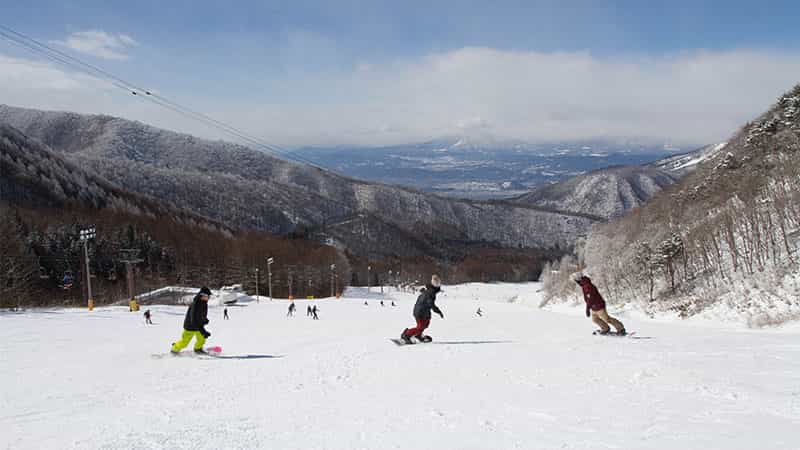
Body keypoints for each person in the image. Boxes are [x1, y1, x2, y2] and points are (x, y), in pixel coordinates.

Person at [400, 275, 444, 343]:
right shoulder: (431, 292)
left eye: (439, 283)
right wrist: (438, 311)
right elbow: (431, 304)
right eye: (438, 283)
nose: (439, 285)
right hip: (420, 312)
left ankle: (418, 335)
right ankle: (406, 334)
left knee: (426, 324)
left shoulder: (430, 291)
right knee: (420, 326)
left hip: (424, 311)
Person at [170, 287, 212, 354]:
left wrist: (204, 320)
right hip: (190, 326)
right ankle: (174, 348)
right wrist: (202, 330)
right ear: (202, 295)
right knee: (184, 343)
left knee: (201, 340)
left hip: (198, 326)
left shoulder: (204, 303)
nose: (209, 298)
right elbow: (194, 319)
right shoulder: (195, 305)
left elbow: (201, 315)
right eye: (208, 296)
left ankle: (197, 349)